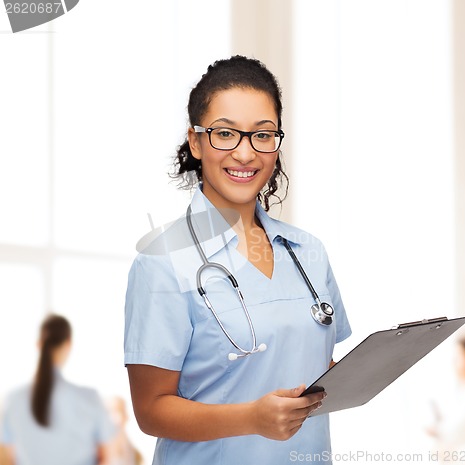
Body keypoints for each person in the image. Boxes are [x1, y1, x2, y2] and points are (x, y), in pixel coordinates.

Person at [124, 55, 351, 465]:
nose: (246, 154)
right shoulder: (161, 262)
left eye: (262, 136)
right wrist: (251, 418)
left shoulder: (308, 252)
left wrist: (374, 366)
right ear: (195, 142)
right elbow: (151, 409)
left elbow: (315, 363)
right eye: (225, 134)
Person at [0, 314, 115, 465]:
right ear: (68, 343)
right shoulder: (89, 398)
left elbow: (5, 459)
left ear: (38, 344)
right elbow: (105, 456)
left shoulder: (13, 400)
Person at [107, 396, 144, 465]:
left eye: (116, 411)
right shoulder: (96, 451)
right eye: (108, 412)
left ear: (125, 416)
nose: (112, 417)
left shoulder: (136, 455)